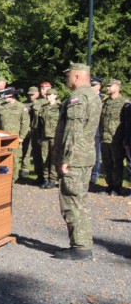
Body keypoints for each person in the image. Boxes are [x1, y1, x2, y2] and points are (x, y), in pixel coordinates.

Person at [52, 63, 101, 260]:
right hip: (85, 156)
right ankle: (82, 244)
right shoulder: (92, 96)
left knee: (72, 201)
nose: (67, 79)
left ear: (78, 76)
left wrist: (66, 159)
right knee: (79, 200)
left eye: (69, 75)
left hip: (76, 159)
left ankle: (80, 248)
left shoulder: (78, 97)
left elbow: (74, 130)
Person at [0, 89, 29, 182]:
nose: (4, 98)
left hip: (14, 138)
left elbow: (25, 123)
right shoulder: (1, 106)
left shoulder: (21, 107)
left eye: (6, 96)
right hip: (2, 138)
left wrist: (21, 137)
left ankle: (13, 179)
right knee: (1, 158)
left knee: (14, 158)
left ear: (11, 96)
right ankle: (3, 177)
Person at [38, 88, 61, 189]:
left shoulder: (60, 108)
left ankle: (53, 179)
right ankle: (46, 178)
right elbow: (39, 124)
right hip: (44, 136)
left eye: (51, 95)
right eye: (47, 94)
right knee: (44, 158)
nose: (48, 96)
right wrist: (39, 136)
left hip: (55, 137)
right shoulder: (43, 108)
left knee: (54, 158)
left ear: (55, 96)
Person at [89, 77, 103, 184]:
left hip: (98, 131)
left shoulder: (103, 99)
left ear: (99, 86)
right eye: (91, 85)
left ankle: (95, 175)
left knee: (96, 155)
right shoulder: (88, 98)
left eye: (93, 85)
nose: (91, 87)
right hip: (88, 131)